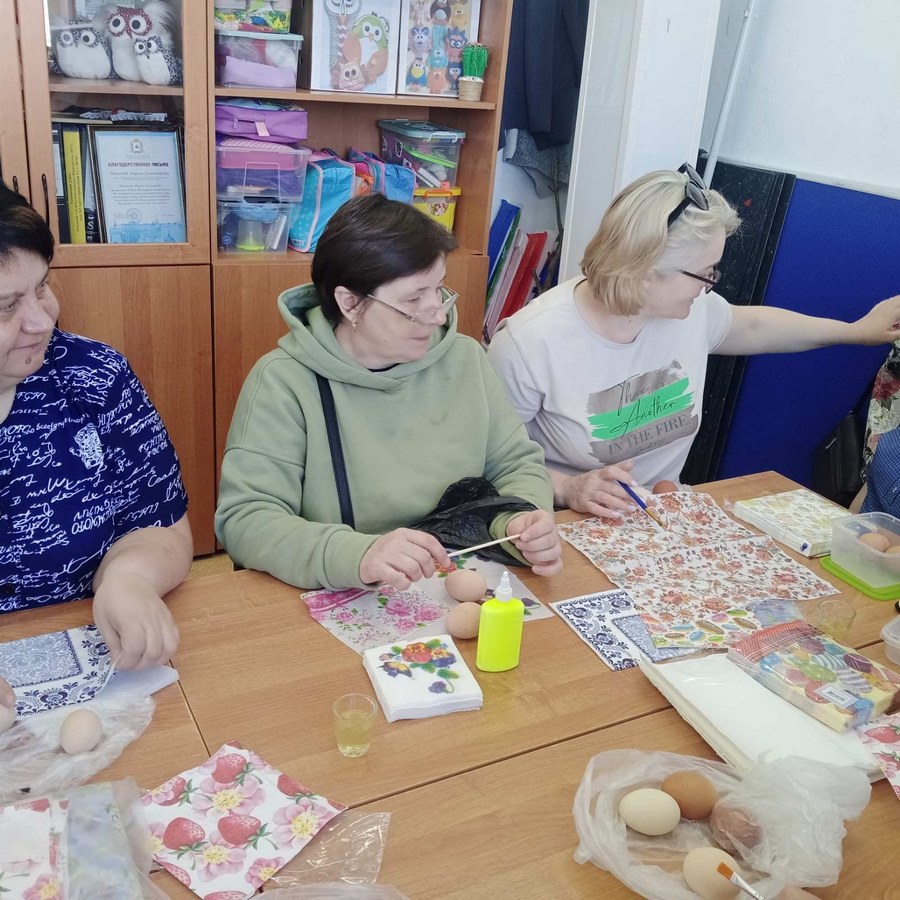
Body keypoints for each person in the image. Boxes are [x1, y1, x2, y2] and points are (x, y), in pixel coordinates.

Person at [487, 164, 900, 519]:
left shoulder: (689, 311)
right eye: (706, 272)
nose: (710, 285)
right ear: (646, 273)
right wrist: (568, 488)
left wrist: (855, 331)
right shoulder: (529, 343)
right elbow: (490, 461)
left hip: (657, 516)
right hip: (562, 521)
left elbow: (755, 326)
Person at [215, 193, 561, 591]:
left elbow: (516, 464)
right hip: (341, 589)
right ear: (350, 303)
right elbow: (246, 520)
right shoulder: (284, 381)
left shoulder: (465, 359)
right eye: (413, 299)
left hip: (457, 578)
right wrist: (357, 555)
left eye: (439, 289)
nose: (438, 313)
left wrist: (519, 520)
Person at [0, 182, 192, 678]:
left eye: (42, 287)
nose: (41, 321)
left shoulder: (93, 375)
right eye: (6, 306)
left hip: (88, 648)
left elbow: (161, 522)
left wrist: (128, 579)